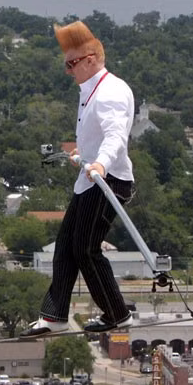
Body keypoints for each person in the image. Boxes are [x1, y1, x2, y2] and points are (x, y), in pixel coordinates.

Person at [21, 21, 136, 337]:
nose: (68, 71)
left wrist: (100, 163)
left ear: (91, 58)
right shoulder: (92, 91)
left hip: (108, 181)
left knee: (86, 248)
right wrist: (84, 158)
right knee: (65, 246)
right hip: (92, 180)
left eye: (72, 63)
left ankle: (117, 314)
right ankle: (54, 315)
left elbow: (115, 136)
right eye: (66, 64)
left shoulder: (110, 92)